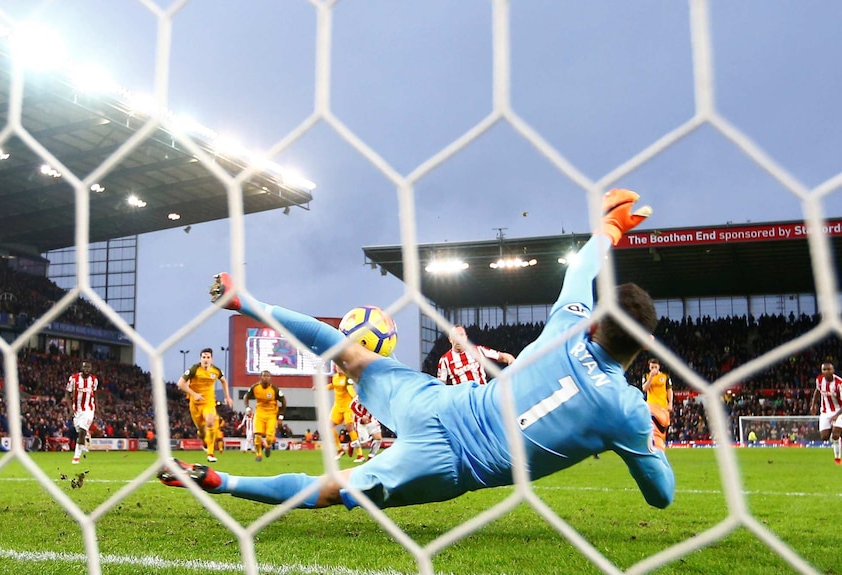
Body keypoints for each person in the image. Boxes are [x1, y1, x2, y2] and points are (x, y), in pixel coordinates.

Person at [158, 188, 674, 512]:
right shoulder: (625, 411)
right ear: (648, 344)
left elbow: (579, 270)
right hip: (450, 460)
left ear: (593, 324)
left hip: (442, 405)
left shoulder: (570, 324)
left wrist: (609, 229)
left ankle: (245, 300)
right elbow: (662, 496)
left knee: (348, 352)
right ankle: (223, 482)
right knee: (337, 487)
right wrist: (654, 435)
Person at [176, 348, 233, 463]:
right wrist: (194, 394)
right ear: (200, 359)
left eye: (208, 357)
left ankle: (210, 453)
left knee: (211, 422)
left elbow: (224, 381)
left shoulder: (216, 371)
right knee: (202, 431)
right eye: (203, 357)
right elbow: (180, 383)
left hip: (209, 402)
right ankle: (203, 439)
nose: (205, 360)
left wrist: (227, 396)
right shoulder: (194, 369)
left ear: (211, 359)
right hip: (195, 403)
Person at [437, 325, 515, 385]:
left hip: (481, 396)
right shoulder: (444, 360)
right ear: (450, 339)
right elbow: (441, 385)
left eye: (461, 335)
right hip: (462, 401)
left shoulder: (479, 350)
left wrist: (510, 359)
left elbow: (503, 357)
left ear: (466, 338)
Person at [244, 370, 287, 461]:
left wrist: (280, 416)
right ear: (260, 377)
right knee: (257, 435)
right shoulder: (255, 387)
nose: (266, 378)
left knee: (269, 437)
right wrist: (247, 407)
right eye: (264, 376)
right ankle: (258, 454)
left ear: (270, 378)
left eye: (268, 376)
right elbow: (246, 396)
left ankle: (268, 445)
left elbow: (283, 402)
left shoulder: (274, 389)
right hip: (259, 413)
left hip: (271, 414)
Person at [325, 367, 366, 462]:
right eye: (336, 366)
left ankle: (360, 454)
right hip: (337, 406)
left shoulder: (348, 378)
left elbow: (350, 388)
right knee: (329, 426)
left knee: (349, 427)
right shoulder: (334, 377)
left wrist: (356, 398)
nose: (338, 368)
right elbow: (333, 385)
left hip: (348, 407)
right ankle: (340, 449)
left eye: (340, 366)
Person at [63, 361, 98, 464]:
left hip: (89, 409)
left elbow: (94, 394)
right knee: (79, 430)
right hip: (77, 409)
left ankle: (76, 457)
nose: (86, 369)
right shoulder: (73, 378)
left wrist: (98, 408)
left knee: (82, 430)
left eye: (88, 367)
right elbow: (67, 394)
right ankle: (82, 445)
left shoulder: (94, 380)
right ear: (81, 368)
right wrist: (70, 408)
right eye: (85, 367)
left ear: (90, 369)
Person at [809, 361, 842, 464]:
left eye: (829, 369)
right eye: (824, 369)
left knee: (835, 435)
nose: (826, 371)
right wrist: (813, 405)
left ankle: (837, 458)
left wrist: (836, 416)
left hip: (839, 411)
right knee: (824, 437)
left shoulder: (839, 383)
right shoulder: (819, 380)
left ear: (833, 370)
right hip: (825, 412)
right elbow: (817, 391)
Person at [641, 358, 673, 450]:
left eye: (655, 366)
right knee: (652, 429)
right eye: (652, 367)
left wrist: (670, 403)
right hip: (651, 407)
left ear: (659, 366)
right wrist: (651, 377)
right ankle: (651, 446)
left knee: (664, 428)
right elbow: (644, 389)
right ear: (649, 367)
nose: (654, 368)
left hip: (663, 406)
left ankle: (661, 446)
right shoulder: (646, 376)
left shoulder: (665, 377)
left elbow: (669, 391)